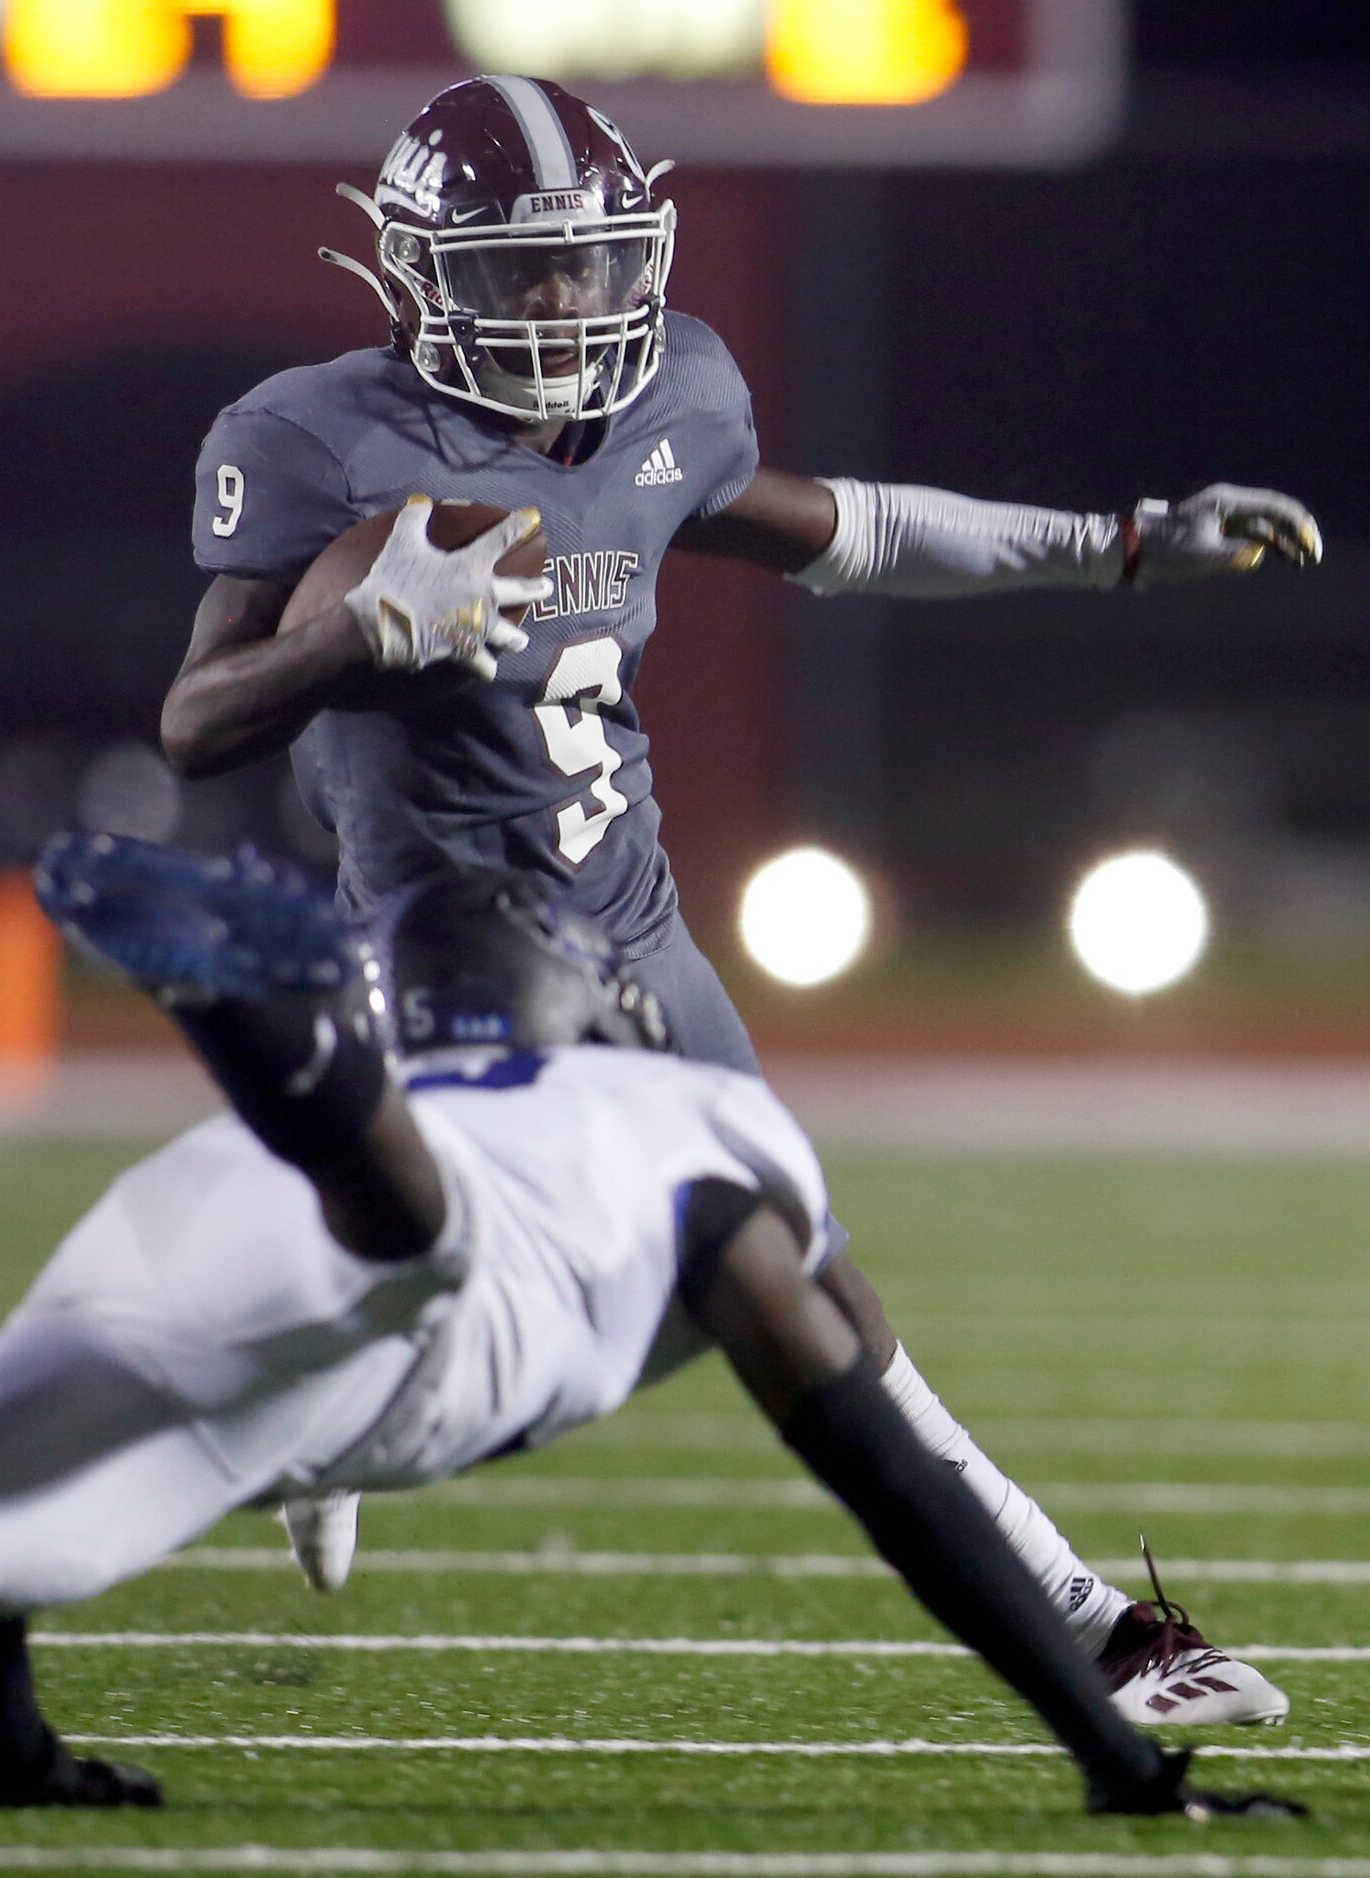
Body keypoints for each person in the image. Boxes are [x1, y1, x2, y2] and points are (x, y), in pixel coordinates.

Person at [162, 75, 1318, 1712]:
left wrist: (1126, 538)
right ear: (419, 276)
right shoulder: (314, 444)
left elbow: (860, 530)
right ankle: (315, 1411)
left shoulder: (670, 404)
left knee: (812, 1265)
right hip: (434, 960)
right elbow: (194, 722)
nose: (564, 303)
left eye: (588, 262)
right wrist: (351, 637)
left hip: (629, 935)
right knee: (459, 1306)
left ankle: (1100, 1628)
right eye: (518, 269)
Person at [0, 834, 1306, 1820]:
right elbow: (883, 1466)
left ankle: (284, 1054)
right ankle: (286, 1050)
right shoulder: (686, 1114)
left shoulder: (317, 1132)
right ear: (594, 996)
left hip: (202, 1195)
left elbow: (18, 1426)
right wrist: (1114, 1758)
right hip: (446, 1290)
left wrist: (18, 1752)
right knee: (413, 1250)